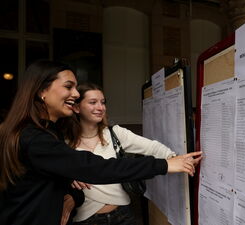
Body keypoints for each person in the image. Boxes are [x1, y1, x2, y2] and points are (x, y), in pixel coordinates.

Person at [0, 60, 202, 225]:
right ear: (41, 91)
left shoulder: (50, 132)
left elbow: (57, 184)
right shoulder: (35, 137)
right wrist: (164, 165)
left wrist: (72, 192)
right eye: (68, 87)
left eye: (103, 102)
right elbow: (94, 168)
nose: (76, 94)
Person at [61, 83, 179, 225]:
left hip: (122, 215)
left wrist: (175, 159)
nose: (101, 108)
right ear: (76, 107)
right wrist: (68, 180)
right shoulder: (64, 142)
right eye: (93, 102)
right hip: (85, 219)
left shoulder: (114, 133)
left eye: (103, 102)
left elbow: (152, 147)